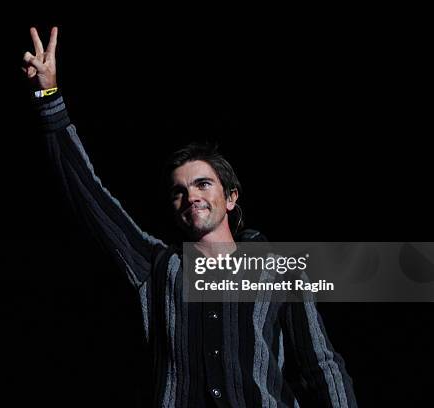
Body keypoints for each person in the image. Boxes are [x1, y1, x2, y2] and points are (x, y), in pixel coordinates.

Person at [24, 26, 357, 408]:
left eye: (202, 184)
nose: (191, 196)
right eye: (180, 191)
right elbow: (93, 201)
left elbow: (322, 368)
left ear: (230, 197)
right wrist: (48, 97)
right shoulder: (158, 267)